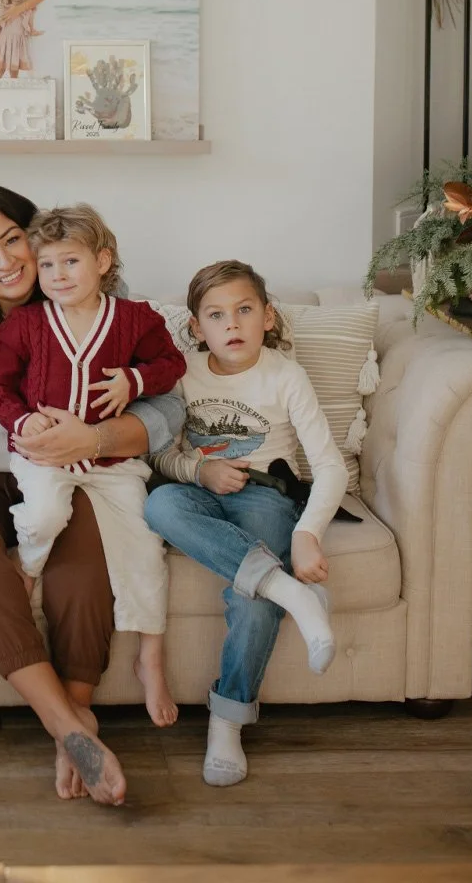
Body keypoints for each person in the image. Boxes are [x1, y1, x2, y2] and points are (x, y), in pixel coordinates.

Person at [0, 181, 185, 807]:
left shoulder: (99, 302)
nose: (5, 261)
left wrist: (93, 434)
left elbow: (170, 403)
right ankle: (64, 724)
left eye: (13, 239)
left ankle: (78, 713)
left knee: (86, 556)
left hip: (86, 469)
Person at [0, 204, 185, 728]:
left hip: (112, 460)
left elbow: (171, 365)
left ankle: (150, 658)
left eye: (71, 262)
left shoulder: (136, 319)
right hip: (42, 455)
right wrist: (22, 422)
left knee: (143, 548)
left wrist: (133, 383)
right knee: (44, 514)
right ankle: (28, 566)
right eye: (47, 266)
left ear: (103, 261)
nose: (58, 276)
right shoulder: (26, 324)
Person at [146, 260, 348, 789]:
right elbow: (161, 455)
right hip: (198, 492)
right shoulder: (182, 374)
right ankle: (292, 592)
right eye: (215, 315)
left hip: (265, 498)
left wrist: (306, 534)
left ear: (268, 318)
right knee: (159, 506)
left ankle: (227, 721)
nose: (231, 324)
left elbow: (329, 466)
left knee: (251, 599)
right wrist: (200, 469)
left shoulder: (286, 376)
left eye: (243, 310)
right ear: (196, 327)